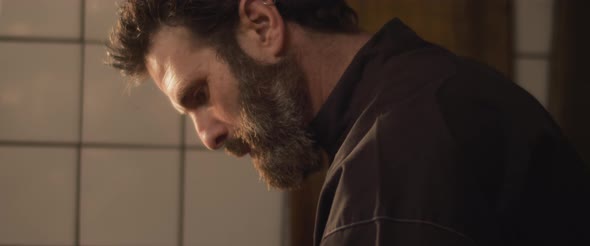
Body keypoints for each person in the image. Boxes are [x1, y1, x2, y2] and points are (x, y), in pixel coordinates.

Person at [106, 0, 590, 245]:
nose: (207, 135)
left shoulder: (385, 172)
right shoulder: (436, 86)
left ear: (261, 25)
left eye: (200, 95)